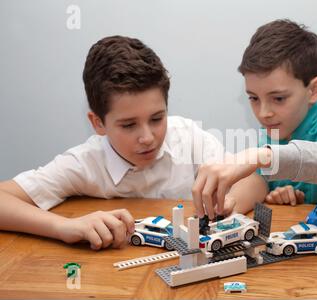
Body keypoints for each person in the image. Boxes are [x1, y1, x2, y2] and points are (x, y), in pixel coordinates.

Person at [0, 35, 251, 250]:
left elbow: (251, 180)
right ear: (98, 123)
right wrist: (64, 226)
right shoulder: (84, 163)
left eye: (157, 118)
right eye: (129, 125)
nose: (147, 137)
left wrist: (231, 203)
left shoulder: (190, 138)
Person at [193, 19, 317, 219]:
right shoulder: (274, 128)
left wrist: (263, 157)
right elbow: (258, 181)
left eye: (278, 98)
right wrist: (229, 204)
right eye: (254, 98)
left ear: (314, 90)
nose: (264, 113)